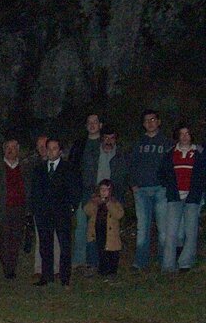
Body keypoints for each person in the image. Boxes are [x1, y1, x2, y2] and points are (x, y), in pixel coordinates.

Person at [30, 137, 79, 287]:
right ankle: (46, 275)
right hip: (43, 213)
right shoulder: (39, 169)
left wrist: (72, 207)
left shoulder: (68, 167)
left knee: (64, 245)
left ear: (60, 151)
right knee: (45, 245)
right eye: (48, 148)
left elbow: (75, 190)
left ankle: (65, 277)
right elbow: (35, 191)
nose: (50, 152)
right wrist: (36, 209)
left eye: (54, 148)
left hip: (62, 212)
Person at [130, 109, 172, 270]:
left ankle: (164, 261)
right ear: (143, 124)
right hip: (141, 191)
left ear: (159, 122)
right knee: (143, 228)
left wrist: (168, 184)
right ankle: (140, 262)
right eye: (147, 120)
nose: (150, 123)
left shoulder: (167, 143)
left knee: (163, 228)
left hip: (161, 189)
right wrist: (133, 184)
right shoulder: (139, 143)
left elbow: (172, 165)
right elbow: (131, 164)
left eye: (153, 119)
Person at [159, 123, 205, 272]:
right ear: (177, 136)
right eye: (182, 133)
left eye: (187, 133)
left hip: (193, 198)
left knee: (190, 232)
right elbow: (162, 173)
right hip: (174, 198)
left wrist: (199, 190)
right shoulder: (170, 153)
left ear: (191, 135)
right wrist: (170, 187)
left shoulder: (199, 152)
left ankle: (185, 263)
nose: (185, 136)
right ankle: (168, 265)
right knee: (171, 232)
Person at [0, 138, 27, 279]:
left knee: (16, 238)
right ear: (4, 150)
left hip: (19, 208)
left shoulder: (23, 166)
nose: (10, 150)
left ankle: (13, 265)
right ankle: (8, 270)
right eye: (8, 148)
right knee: (4, 239)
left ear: (18, 150)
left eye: (13, 147)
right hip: (2, 208)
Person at [69, 114, 103, 272]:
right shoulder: (80, 144)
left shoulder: (106, 143)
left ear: (100, 125)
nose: (92, 125)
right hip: (83, 192)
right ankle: (78, 259)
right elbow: (72, 168)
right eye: (89, 122)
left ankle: (94, 261)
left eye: (95, 122)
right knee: (81, 226)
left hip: (101, 192)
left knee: (96, 227)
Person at [26, 134, 60, 279]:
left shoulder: (59, 164)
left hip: (56, 208)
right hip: (40, 209)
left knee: (56, 238)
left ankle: (56, 268)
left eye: (44, 145)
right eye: (40, 146)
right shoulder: (34, 165)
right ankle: (39, 268)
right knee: (41, 238)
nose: (43, 149)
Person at [84, 179, 124, 276]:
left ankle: (111, 271)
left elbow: (119, 214)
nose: (103, 191)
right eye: (101, 189)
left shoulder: (114, 202)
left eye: (106, 189)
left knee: (111, 253)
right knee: (99, 251)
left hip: (110, 233)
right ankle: (100, 268)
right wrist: (94, 203)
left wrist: (109, 204)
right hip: (97, 231)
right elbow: (87, 210)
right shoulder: (94, 201)